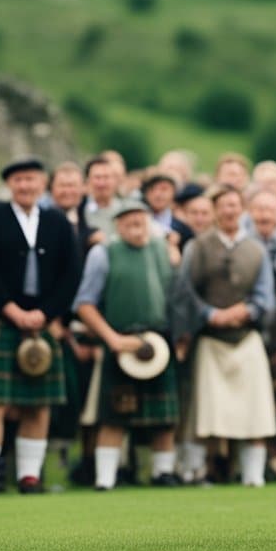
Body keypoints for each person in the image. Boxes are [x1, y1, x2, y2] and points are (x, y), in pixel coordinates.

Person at [0, 157, 78, 494]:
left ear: (42, 183)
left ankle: (29, 477)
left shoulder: (58, 223)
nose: (26, 186)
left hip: (42, 322)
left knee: (38, 403)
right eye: (19, 181)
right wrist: (11, 310)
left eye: (31, 180)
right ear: (10, 185)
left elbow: (71, 274)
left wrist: (46, 313)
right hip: (2, 320)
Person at [173, 185, 276, 488]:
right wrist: (209, 315)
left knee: (255, 410)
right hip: (210, 340)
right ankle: (198, 472)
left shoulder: (256, 249)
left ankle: (253, 475)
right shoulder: (198, 246)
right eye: (223, 206)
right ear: (215, 210)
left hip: (246, 338)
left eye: (234, 205)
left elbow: (266, 296)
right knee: (205, 411)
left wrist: (246, 311)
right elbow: (185, 292)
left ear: (242, 208)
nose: (229, 210)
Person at [73, 199, 179, 490]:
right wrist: (113, 339)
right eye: (129, 223)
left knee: (165, 418)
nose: (137, 228)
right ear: (117, 225)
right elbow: (84, 304)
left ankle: (163, 473)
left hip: (158, 342)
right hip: (121, 341)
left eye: (141, 221)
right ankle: (105, 479)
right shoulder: (103, 253)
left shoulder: (164, 251)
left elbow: (175, 299)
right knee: (114, 415)